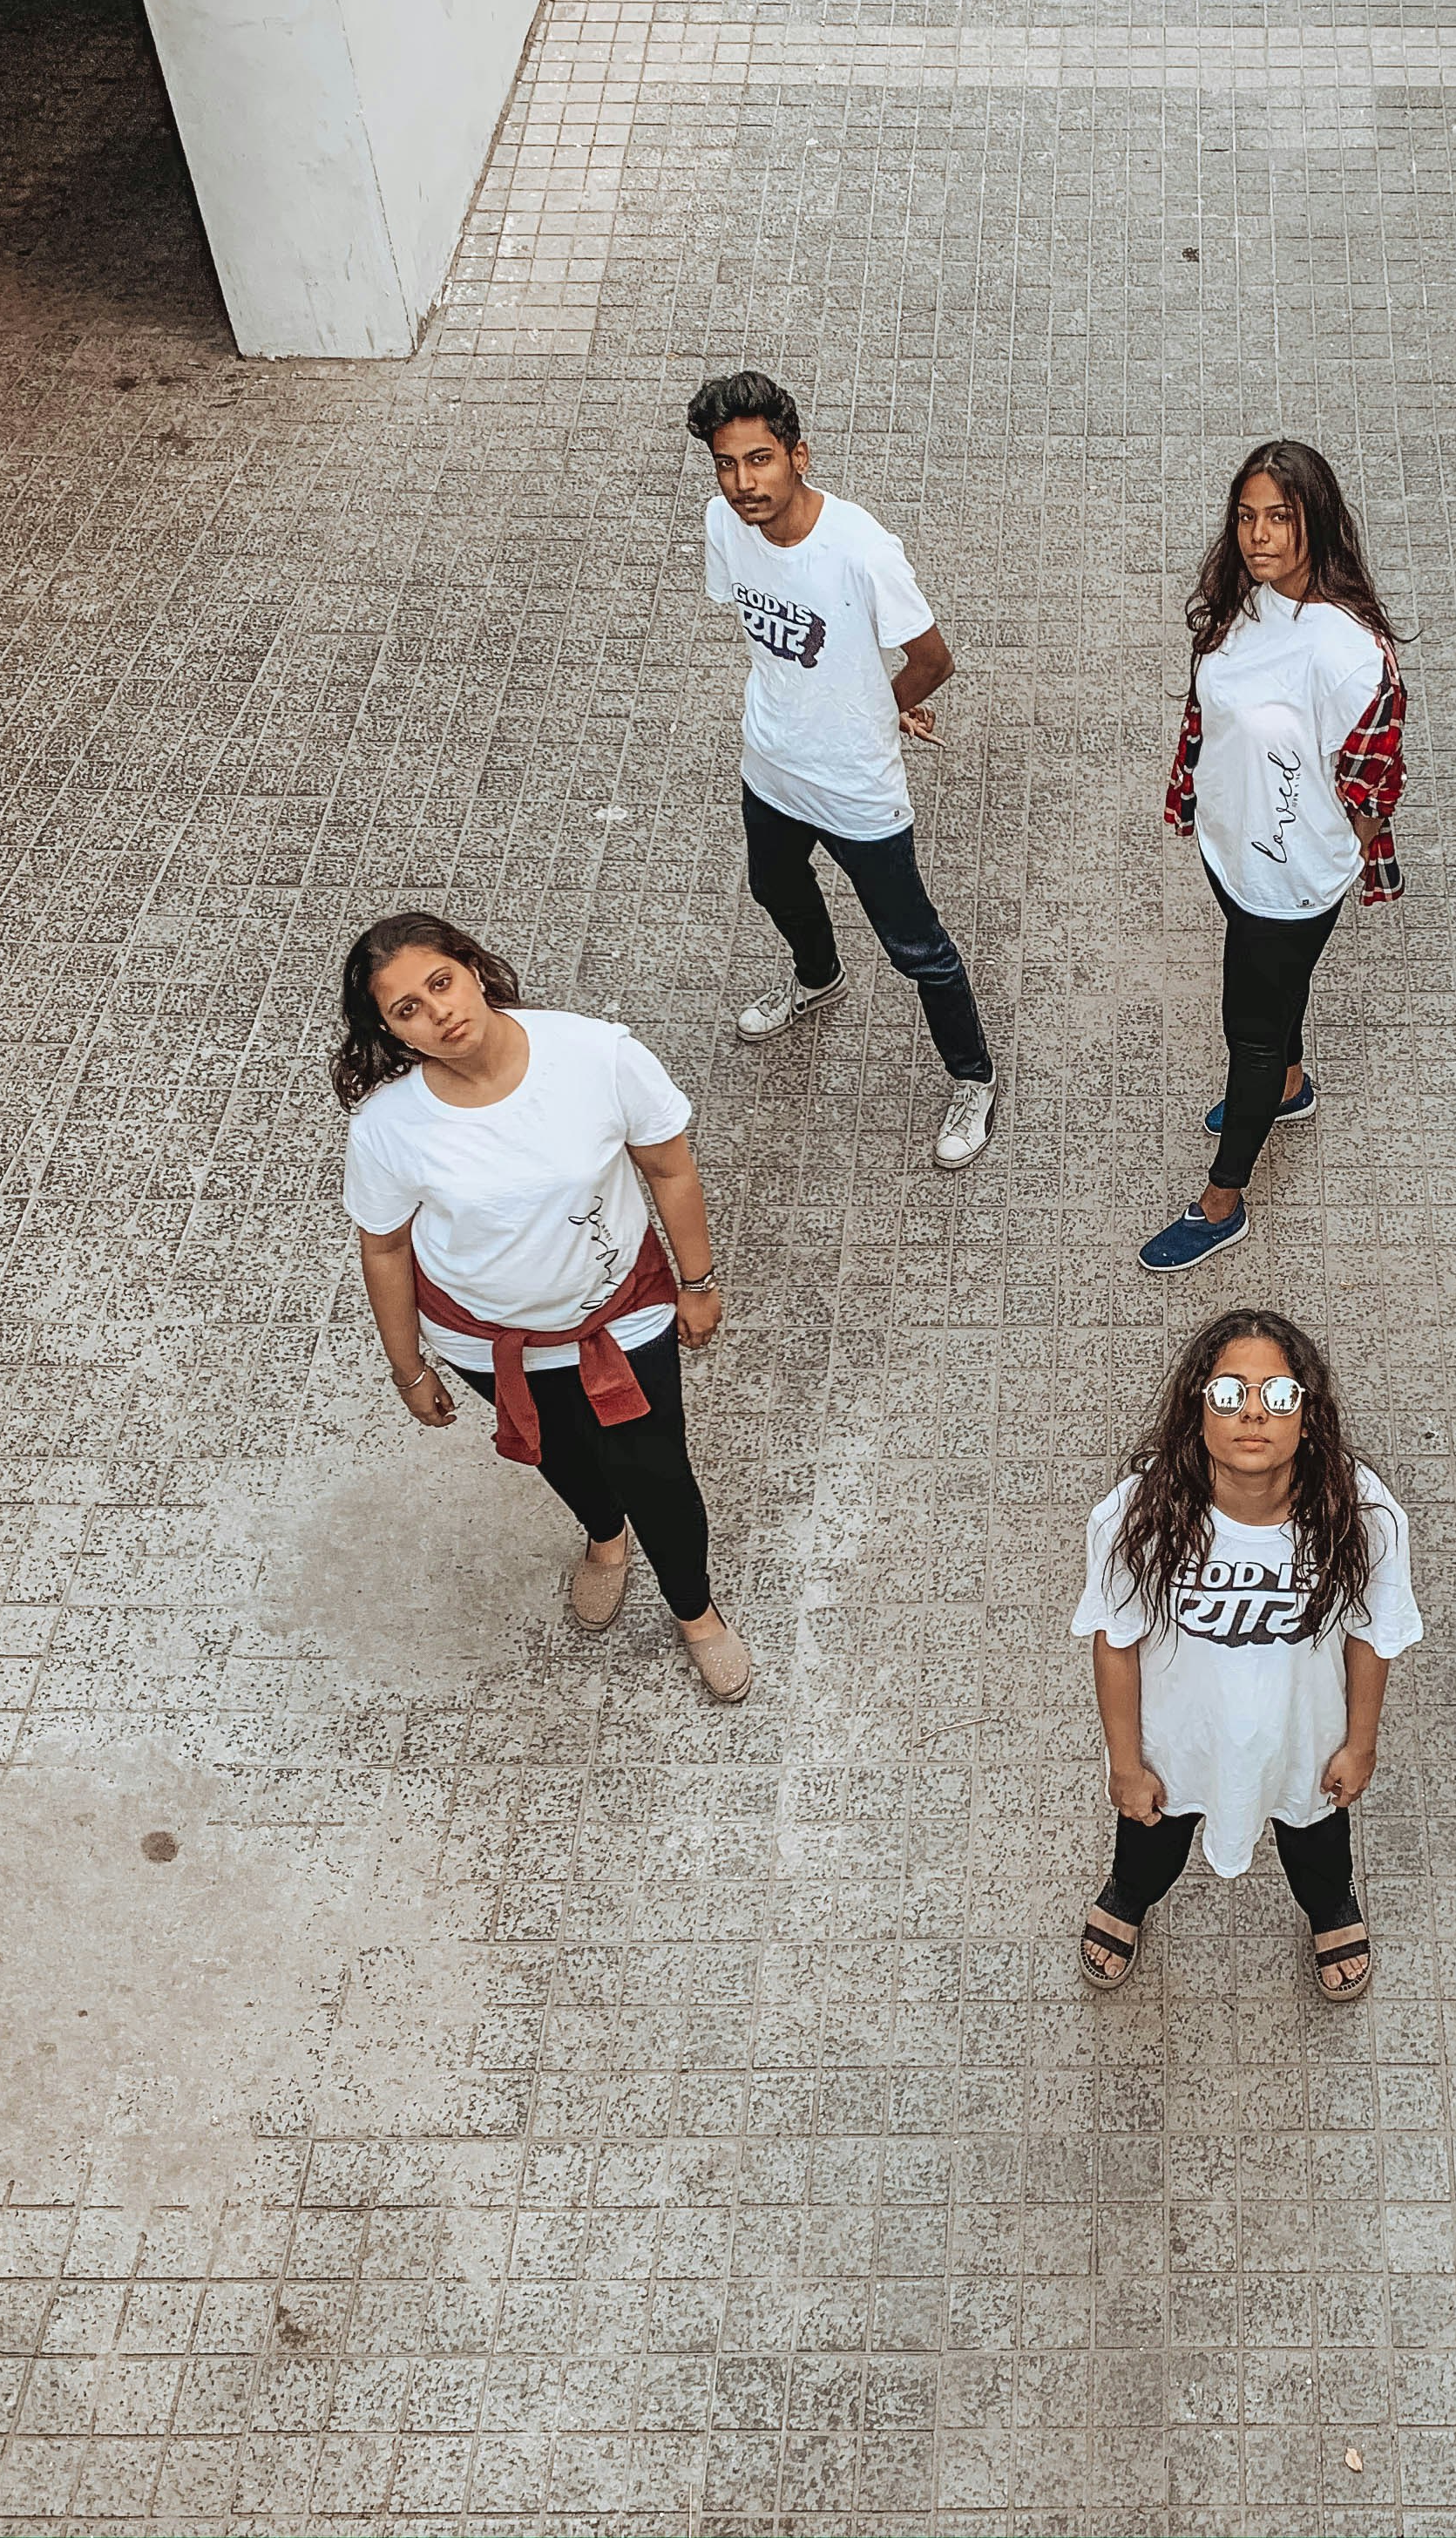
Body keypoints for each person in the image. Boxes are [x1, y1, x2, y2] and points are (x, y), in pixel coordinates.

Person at [334, 912, 757, 1701]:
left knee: (657, 1471)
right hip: (487, 1341)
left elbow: (669, 1170)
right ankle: (604, 1537)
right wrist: (407, 1368)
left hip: (621, 1319)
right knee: (559, 1456)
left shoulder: (597, 1055)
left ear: (473, 967)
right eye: (408, 1010)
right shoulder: (388, 1127)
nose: (439, 1014)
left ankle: (695, 1612)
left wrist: (697, 1283)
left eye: (440, 983)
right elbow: (384, 1247)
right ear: (392, 1033)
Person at [689, 369, 999, 1171]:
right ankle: (817, 978)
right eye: (727, 464)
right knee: (774, 886)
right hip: (772, 763)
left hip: (857, 787)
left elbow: (933, 659)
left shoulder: (861, 549)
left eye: (759, 460)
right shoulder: (724, 526)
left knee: (916, 948)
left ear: (799, 455)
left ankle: (974, 1078)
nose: (743, 483)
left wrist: (876, 705)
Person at [1073, 1309, 1420, 2002]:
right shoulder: (1134, 1515)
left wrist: (1360, 1745)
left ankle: (1330, 1910)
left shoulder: (1361, 1511)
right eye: (1230, 1394)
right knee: (1148, 1839)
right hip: (1177, 1742)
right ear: (1197, 1405)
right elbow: (1116, 1640)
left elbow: (1371, 1634)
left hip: (1305, 1740)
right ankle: (1127, 1897)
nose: (1253, 1414)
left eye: (1279, 1396)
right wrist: (1125, 1764)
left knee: (1317, 1841)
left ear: (1307, 1412)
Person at [1137, 440, 1409, 1272]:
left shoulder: (1351, 657)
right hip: (1231, 849)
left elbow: (1374, 789)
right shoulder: (1241, 604)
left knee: (1246, 1033)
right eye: (1248, 517)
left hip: (1285, 884)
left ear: (1315, 524)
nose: (1260, 537)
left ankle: (1222, 1203)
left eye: (1280, 519)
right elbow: (1206, 713)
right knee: (1269, 1016)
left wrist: (1317, 859)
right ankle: (1290, 1086)